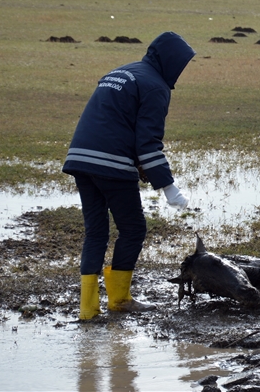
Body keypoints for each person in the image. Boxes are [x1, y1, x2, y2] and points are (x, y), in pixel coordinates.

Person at [63, 31, 195, 320]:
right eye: (181, 64)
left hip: (79, 158)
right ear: (171, 61)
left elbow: (115, 124)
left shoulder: (123, 71)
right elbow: (147, 142)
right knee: (133, 229)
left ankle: (87, 310)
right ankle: (120, 299)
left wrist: (139, 165)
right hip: (109, 163)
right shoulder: (156, 87)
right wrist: (170, 189)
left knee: (96, 232)